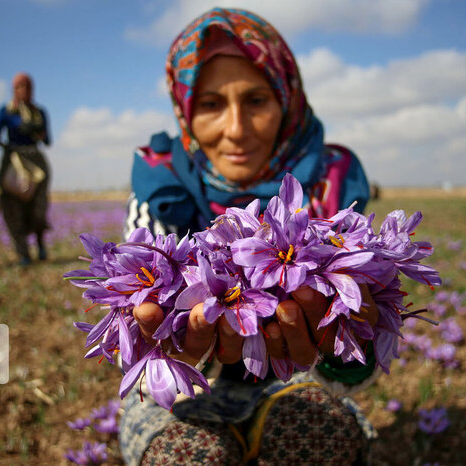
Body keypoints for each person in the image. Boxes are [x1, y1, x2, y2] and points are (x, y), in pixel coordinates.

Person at [120, 8, 380, 465]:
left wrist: (337, 346)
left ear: (287, 99)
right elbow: (140, 328)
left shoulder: (332, 181)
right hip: (183, 386)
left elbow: (356, 360)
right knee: (183, 455)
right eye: (211, 103)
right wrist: (173, 346)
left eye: (256, 100)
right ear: (184, 111)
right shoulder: (162, 184)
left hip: (300, 381)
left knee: (317, 434)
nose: (235, 129)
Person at [0, 73, 51, 266]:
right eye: (19, 87)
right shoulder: (6, 112)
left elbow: (48, 140)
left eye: (27, 86)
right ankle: (23, 252)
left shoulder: (39, 112)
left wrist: (38, 132)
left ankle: (41, 245)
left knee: (38, 208)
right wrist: (10, 147)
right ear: (13, 90)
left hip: (36, 162)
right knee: (12, 207)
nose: (24, 90)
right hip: (14, 162)